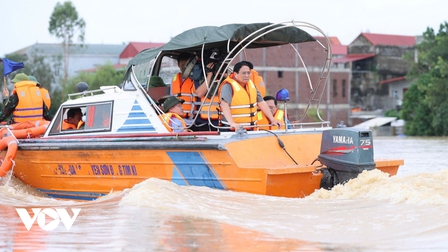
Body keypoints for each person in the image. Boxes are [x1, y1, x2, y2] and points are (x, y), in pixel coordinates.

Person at [219, 61, 282, 131]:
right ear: (235, 74)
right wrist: (232, 123)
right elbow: (224, 104)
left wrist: (273, 120)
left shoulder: (251, 85)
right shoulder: (228, 85)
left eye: (248, 73)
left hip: (249, 128)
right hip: (231, 129)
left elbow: (261, 102)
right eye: (243, 73)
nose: (246, 75)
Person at [171, 53, 216, 130]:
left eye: (187, 65)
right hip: (179, 119)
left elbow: (200, 93)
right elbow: (172, 98)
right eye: (183, 65)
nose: (185, 67)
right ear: (178, 65)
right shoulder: (175, 79)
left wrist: (209, 75)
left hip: (194, 119)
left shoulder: (197, 77)